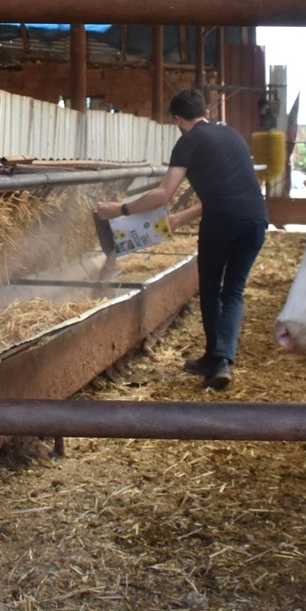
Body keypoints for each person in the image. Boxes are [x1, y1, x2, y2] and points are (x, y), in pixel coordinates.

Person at [96, 87, 268, 390]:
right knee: (234, 290)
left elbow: (164, 193)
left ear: (178, 119)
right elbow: (227, 193)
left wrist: (119, 209)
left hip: (222, 222)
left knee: (211, 287)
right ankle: (220, 358)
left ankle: (218, 361)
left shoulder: (189, 141)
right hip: (255, 220)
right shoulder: (233, 136)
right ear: (207, 113)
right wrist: (179, 218)